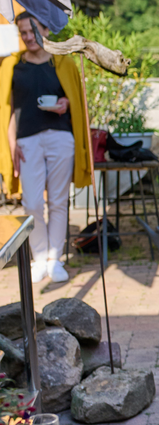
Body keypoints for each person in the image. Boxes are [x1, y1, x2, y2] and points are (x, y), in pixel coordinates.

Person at [0, 12, 91, 283]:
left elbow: (76, 100)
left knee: (59, 201)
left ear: (46, 31)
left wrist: (66, 104)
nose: (28, 37)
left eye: (33, 31)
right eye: (24, 33)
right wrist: (11, 143)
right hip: (27, 140)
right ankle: (39, 258)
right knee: (31, 202)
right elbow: (7, 109)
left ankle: (55, 259)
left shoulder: (63, 62)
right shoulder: (11, 66)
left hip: (60, 137)